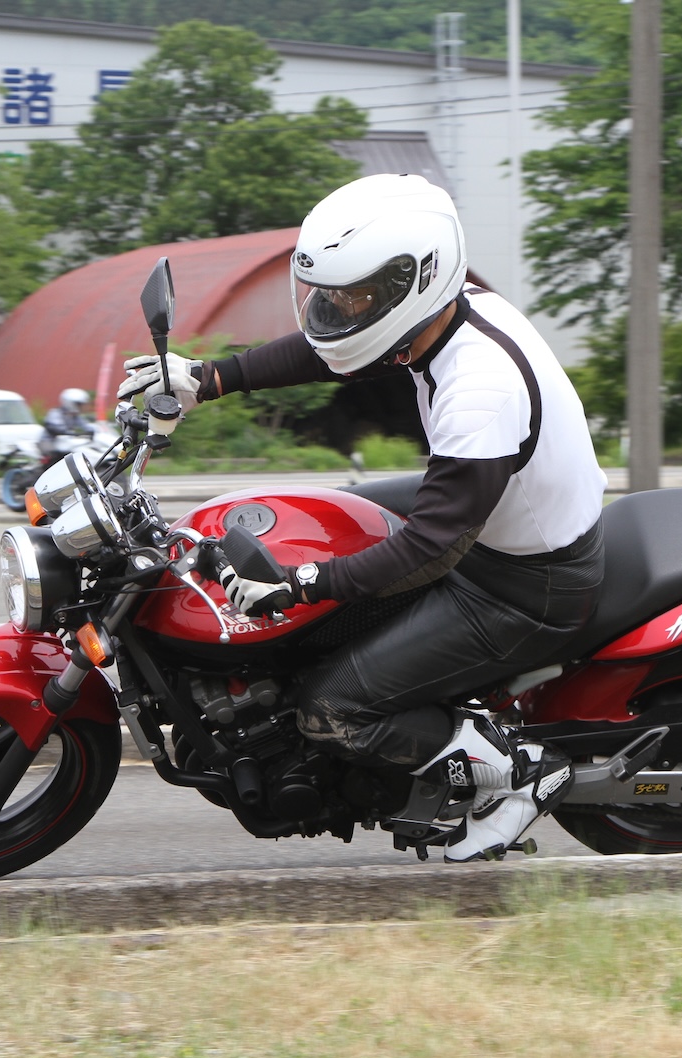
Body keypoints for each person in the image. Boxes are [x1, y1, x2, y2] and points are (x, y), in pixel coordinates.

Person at [119, 173, 606, 861]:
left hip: (526, 585)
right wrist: (211, 378)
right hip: (494, 524)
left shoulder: (480, 390)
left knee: (331, 707)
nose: (334, 309)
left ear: (414, 282)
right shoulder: (449, 314)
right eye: (327, 293)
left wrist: (302, 584)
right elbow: (339, 352)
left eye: (353, 296)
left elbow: (431, 548)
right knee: (329, 513)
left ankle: (522, 772)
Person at [40, 387, 95, 458]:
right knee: (52, 455)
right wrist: (71, 433)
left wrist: (92, 431)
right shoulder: (55, 413)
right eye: (79, 404)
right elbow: (54, 427)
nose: (81, 407)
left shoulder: (75, 416)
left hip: (64, 441)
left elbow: (85, 426)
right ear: (70, 403)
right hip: (50, 441)